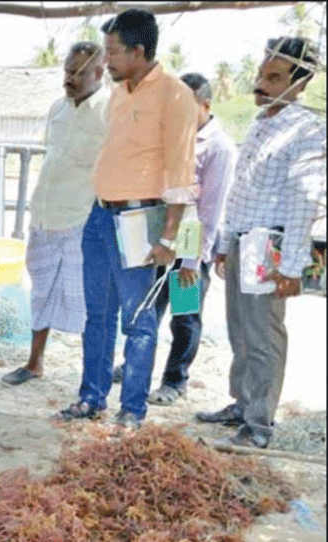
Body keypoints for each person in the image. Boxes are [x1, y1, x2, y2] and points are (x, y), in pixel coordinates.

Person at [55, 9, 198, 430]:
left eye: (114, 53)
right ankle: (91, 398)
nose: (107, 61)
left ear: (139, 51)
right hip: (100, 216)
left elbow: (180, 173)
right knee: (96, 315)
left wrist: (170, 238)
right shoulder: (118, 93)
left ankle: (131, 410)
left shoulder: (174, 96)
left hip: (141, 219)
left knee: (139, 320)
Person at [196, 37, 325, 448]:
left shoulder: (307, 130)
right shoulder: (261, 122)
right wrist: (223, 242)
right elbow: (242, 190)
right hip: (241, 242)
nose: (261, 83)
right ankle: (241, 403)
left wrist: (290, 266)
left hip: (269, 246)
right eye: (260, 75)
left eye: (274, 78)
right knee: (240, 330)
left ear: (300, 83)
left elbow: (305, 202)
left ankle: (259, 424)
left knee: (263, 334)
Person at [113, 73, 239, 405]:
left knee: (183, 315)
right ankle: (135, 364)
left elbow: (211, 209)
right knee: (147, 307)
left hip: (190, 237)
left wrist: (192, 260)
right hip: (163, 233)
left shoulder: (219, 148)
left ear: (205, 105)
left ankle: (175, 381)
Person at [1, 42, 109, 386]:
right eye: (67, 71)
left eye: (79, 73)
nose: (71, 79)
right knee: (42, 291)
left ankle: (173, 376)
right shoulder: (57, 109)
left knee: (183, 309)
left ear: (98, 73)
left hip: (184, 245)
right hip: (47, 215)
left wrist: (186, 247)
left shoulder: (109, 111)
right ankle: (35, 363)